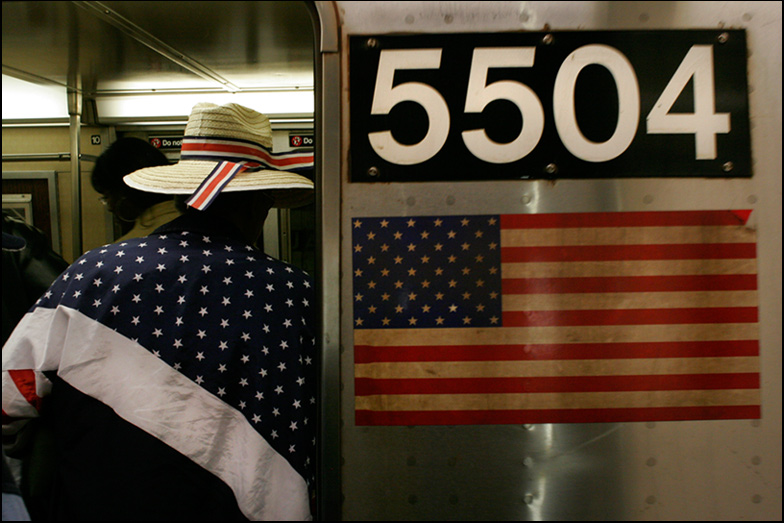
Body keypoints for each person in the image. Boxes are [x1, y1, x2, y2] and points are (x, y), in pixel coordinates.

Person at [2, 102, 317, 520]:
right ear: (264, 202)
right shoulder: (296, 294)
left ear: (181, 190)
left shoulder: (91, 275)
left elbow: (10, 397)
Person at [91, 136, 180, 242]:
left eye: (107, 197)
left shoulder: (120, 251)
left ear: (124, 194)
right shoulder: (199, 230)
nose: (110, 207)